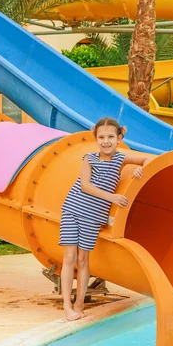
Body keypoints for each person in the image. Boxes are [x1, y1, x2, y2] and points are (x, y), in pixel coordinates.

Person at [59, 117, 152, 321]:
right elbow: (85, 186)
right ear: (96, 138)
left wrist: (140, 169)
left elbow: (149, 159)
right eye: (101, 137)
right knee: (69, 258)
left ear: (119, 137)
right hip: (73, 208)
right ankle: (67, 306)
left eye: (111, 136)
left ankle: (79, 304)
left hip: (92, 216)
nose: (106, 141)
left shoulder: (121, 158)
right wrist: (113, 198)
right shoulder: (89, 158)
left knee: (83, 260)